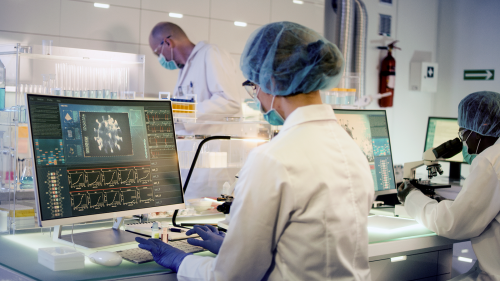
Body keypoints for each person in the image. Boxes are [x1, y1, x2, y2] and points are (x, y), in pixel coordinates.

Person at [137, 21, 375, 280]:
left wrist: (180, 260)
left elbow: (232, 277)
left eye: (254, 85)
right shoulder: (351, 148)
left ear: (271, 79)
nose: (256, 96)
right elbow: (310, 242)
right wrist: (233, 247)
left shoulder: (272, 160)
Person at [398, 91, 500, 281]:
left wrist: (411, 197)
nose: (463, 144)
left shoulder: (491, 160)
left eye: (463, 134)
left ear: (477, 133)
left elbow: (453, 223)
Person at [149, 22, 242, 122]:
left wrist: (182, 112)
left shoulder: (211, 53)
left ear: (168, 43)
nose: (161, 59)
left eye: (158, 54)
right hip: (193, 137)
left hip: (214, 137)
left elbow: (229, 102)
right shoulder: (185, 68)